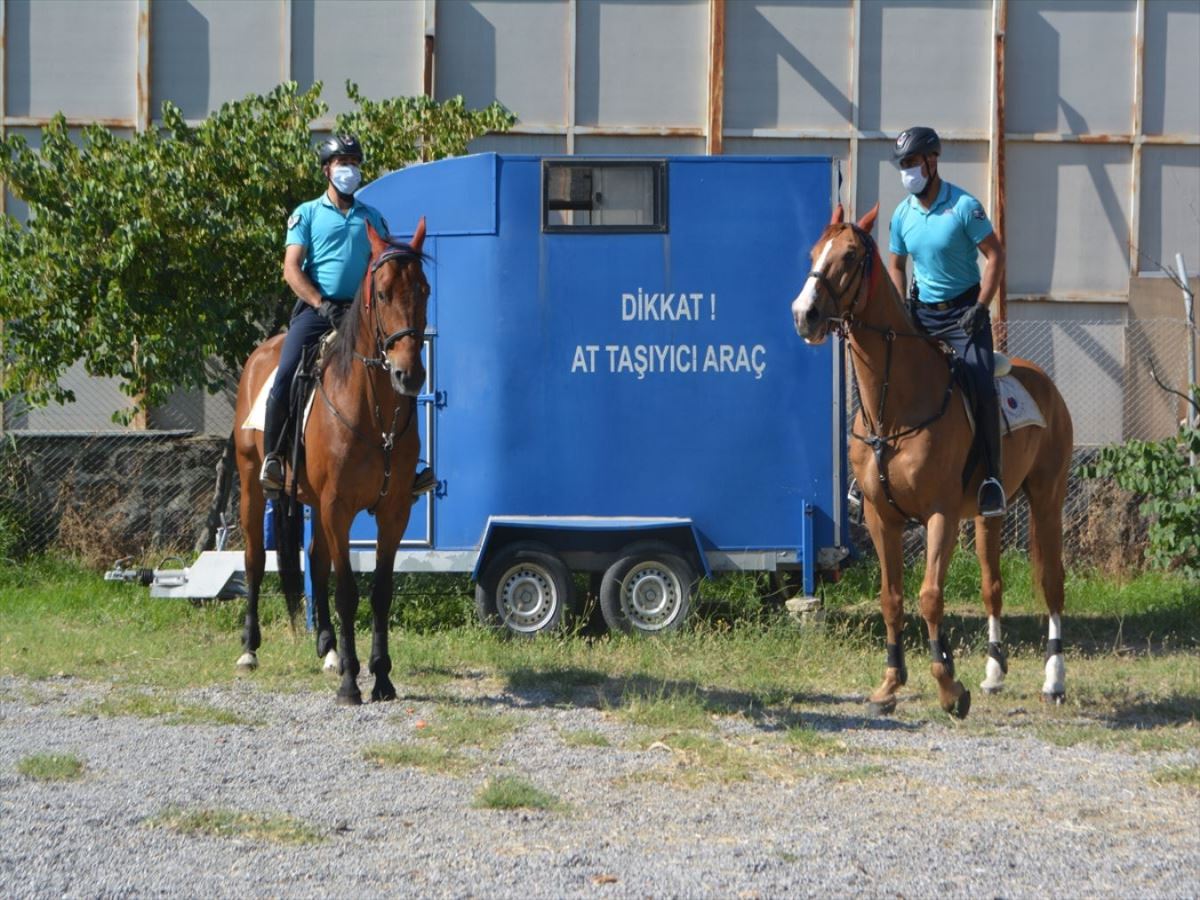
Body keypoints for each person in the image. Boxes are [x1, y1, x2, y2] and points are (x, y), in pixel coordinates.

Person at [260, 133, 435, 499]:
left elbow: (385, 266)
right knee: (288, 372)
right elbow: (291, 269)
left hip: (363, 313)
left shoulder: (372, 217)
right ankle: (275, 458)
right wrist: (321, 304)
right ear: (327, 170)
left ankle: (409, 464)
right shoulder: (305, 214)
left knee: (401, 371)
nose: (350, 171)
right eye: (343, 164)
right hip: (316, 309)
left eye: (354, 164)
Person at [886, 126, 1008, 517]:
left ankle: (991, 480)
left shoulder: (964, 207)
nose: (907, 172)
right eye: (902, 165)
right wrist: (902, 307)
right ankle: (873, 469)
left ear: (931, 161)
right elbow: (896, 265)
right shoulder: (901, 215)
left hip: (965, 315)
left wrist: (982, 305)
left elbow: (995, 256)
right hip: (921, 316)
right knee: (888, 377)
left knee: (981, 385)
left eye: (912, 163)